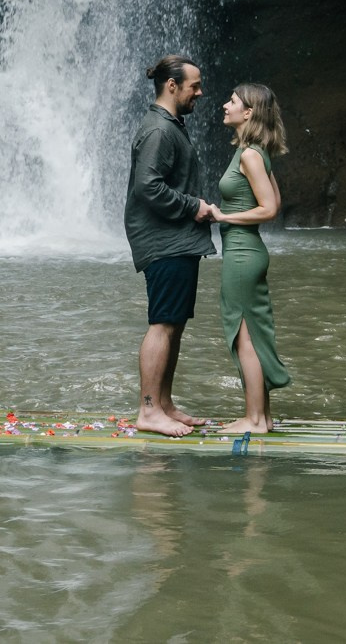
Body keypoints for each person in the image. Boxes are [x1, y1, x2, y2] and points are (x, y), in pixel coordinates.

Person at [125, 53, 216, 437]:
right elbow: (148, 187)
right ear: (172, 86)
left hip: (175, 240)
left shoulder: (169, 125)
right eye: (194, 86)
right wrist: (194, 206)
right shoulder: (160, 130)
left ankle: (164, 404)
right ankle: (148, 410)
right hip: (164, 241)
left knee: (173, 324)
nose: (200, 92)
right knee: (162, 324)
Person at [201, 83, 292, 434]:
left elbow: (268, 209)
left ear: (249, 113)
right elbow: (275, 201)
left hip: (242, 253)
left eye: (233, 102)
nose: (225, 105)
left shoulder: (250, 155)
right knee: (252, 333)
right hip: (247, 252)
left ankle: (253, 419)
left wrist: (223, 216)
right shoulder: (253, 151)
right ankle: (263, 417)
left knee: (244, 337)